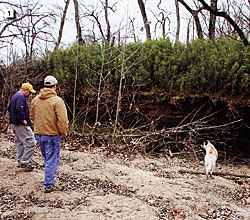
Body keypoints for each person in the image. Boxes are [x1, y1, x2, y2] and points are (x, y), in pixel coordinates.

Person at [30, 75, 68, 193]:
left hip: (39, 134)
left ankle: (48, 180)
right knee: (51, 159)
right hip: (52, 134)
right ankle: (48, 184)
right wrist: (63, 132)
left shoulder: (35, 100)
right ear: (55, 86)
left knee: (47, 158)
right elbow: (62, 119)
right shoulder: (57, 101)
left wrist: (37, 128)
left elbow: (31, 117)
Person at [8, 83, 36, 171]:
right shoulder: (20, 97)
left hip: (14, 124)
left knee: (20, 143)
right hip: (20, 124)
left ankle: (20, 161)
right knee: (31, 142)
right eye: (29, 92)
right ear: (25, 90)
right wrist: (23, 120)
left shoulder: (15, 96)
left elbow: (9, 108)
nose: (30, 95)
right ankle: (25, 162)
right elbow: (19, 108)